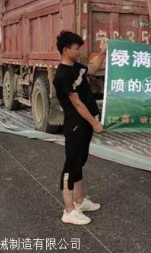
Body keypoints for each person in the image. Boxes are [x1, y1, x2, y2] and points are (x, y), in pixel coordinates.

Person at [53, 31, 106, 225]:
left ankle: (79, 201)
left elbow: (92, 69)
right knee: (70, 166)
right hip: (75, 124)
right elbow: (77, 104)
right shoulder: (62, 76)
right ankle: (69, 211)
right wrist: (95, 122)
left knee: (79, 162)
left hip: (84, 124)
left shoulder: (77, 67)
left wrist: (103, 52)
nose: (79, 52)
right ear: (66, 50)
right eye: (77, 49)